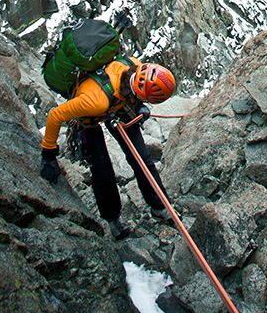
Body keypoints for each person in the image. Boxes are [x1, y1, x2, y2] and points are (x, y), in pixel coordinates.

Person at [39, 58, 176, 239]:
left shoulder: (133, 64)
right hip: (90, 116)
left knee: (142, 159)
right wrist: (48, 153)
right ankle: (113, 220)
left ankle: (159, 205)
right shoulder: (94, 102)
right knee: (102, 171)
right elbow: (55, 116)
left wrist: (140, 106)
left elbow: (131, 89)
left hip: (121, 103)